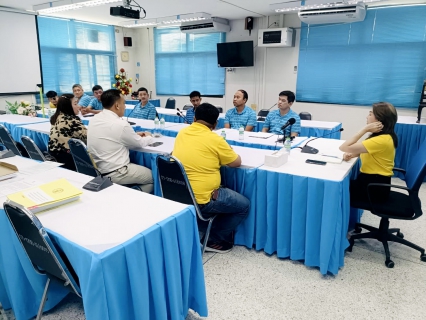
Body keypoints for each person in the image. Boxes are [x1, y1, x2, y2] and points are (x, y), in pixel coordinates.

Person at [173, 103, 250, 253]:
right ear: (215, 124)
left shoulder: (182, 133)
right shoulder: (215, 139)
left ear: (194, 118)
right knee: (244, 205)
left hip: (179, 194)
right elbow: (236, 162)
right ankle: (214, 238)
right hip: (204, 199)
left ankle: (202, 227)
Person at [87, 89, 154, 193]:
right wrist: (149, 137)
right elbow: (139, 143)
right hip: (116, 171)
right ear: (117, 106)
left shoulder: (95, 119)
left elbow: (111, 136)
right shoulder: (120, 124)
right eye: (124, 103)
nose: (125, 106)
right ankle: (132, 197)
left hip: (98, 169)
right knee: (154, 177)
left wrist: (134, 135)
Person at [340, 102, 398, 203]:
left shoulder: (381, 140)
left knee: (338, 190)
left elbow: (344, 147)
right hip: (376, 183)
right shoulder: (386, 137)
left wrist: (364, 129)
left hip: (373, 188)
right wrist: (352, 154)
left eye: (370, 114)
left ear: (379, 119)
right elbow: (363, 150)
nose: (367, 117)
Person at [48, 94, 87, 171]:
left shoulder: (56, 117)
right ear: (68, 106)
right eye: (75, 104)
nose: (78, 106)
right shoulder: (72, 120)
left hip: (53, 156)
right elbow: (87, 138)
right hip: (68, 159)